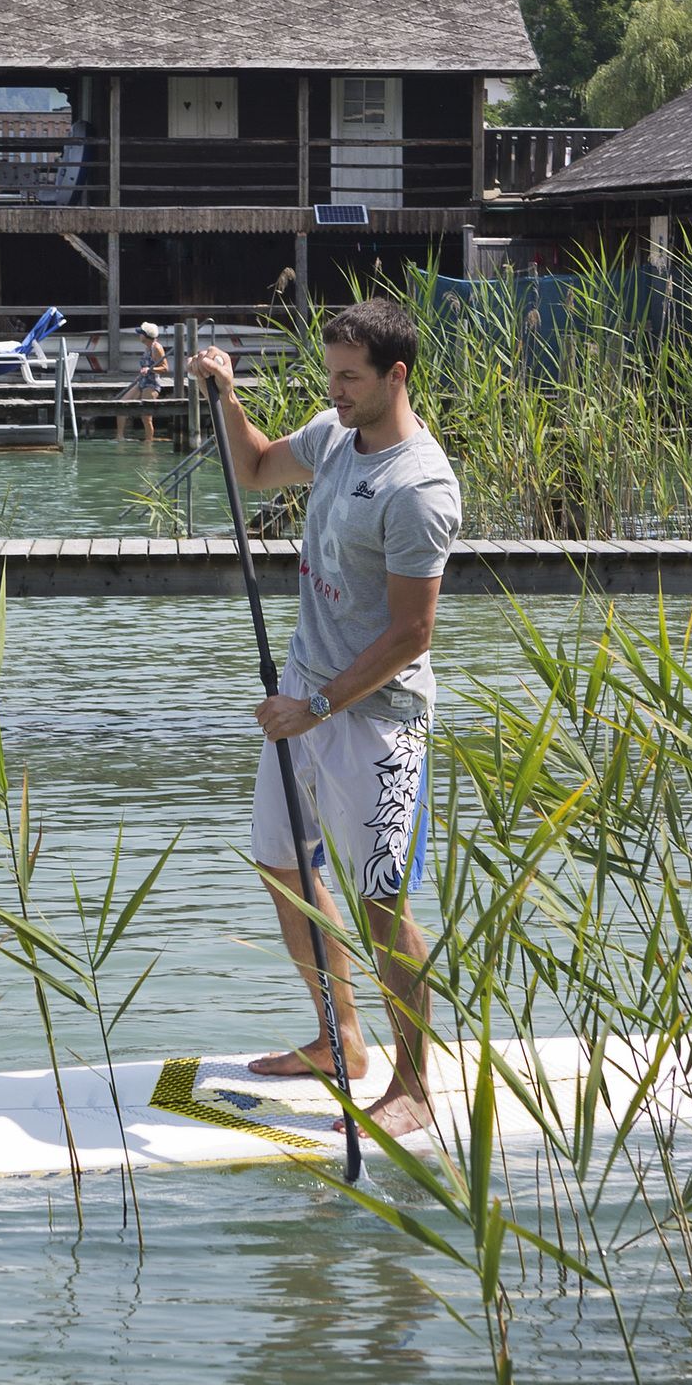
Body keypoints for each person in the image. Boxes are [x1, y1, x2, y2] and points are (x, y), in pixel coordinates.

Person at [191, 297, 460, 1139]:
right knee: (283, 869)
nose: (335, 390)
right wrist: (226, 396)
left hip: (377, 719)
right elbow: (258, 469)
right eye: (330, 374)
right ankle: (338, 1035)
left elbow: (412, 631)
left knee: (383, 903)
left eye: (350, 377)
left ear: (395, 376)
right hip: (302, 702)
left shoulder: (420, 488)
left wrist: (313, 707)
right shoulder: (336, 436)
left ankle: (414, 1083)